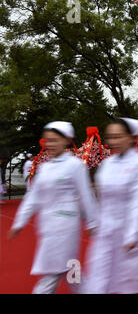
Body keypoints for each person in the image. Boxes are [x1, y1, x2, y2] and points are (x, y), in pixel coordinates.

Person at [8, 121, 98, 294]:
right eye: (47, 140)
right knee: (72, 274)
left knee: (52, 274)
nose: (50, 144)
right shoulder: (45, 168)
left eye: (54, 140)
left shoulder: (75, 165)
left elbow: (86, 195)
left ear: (66, 140)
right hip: (48, 228)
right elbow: (33, 197)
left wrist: (93, 223)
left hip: (66, 228)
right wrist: (19, 222)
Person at [84, 118, 138, 294]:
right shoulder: (106, 164)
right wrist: (95, 222)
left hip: (133, 233)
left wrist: (132, 234)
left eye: (118, 136)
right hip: (106, 233)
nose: (114, 141)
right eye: (111, 137)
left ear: (130, 137)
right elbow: (100, 198)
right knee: (98, 280)